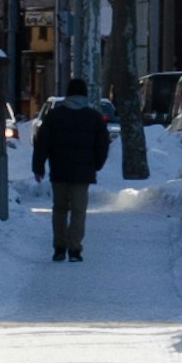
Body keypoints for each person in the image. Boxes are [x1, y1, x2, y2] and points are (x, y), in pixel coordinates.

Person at [31, 82, 114, 261]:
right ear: (85, 95)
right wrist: (96, 164)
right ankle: (74, 248)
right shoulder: (93, 117)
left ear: (67, 95)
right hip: (83, 172)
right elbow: (102, 145)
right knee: (78, 210)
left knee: (59, 209)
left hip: (59, 170)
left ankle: (59, 247)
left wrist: (38, 167)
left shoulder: (54, 116)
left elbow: (41, 143)